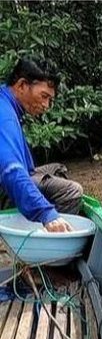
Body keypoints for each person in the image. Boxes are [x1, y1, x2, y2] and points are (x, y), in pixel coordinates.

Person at [0, 57, 83, 232]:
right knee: (71, 191)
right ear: (22, 85)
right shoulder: (5, 116)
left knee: (57, 169)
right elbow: (11, 171)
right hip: (6, 184)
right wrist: (47, 214)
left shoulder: (6, 103)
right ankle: (51, 254)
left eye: (50, 100)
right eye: (44, 96)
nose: (46, 105)